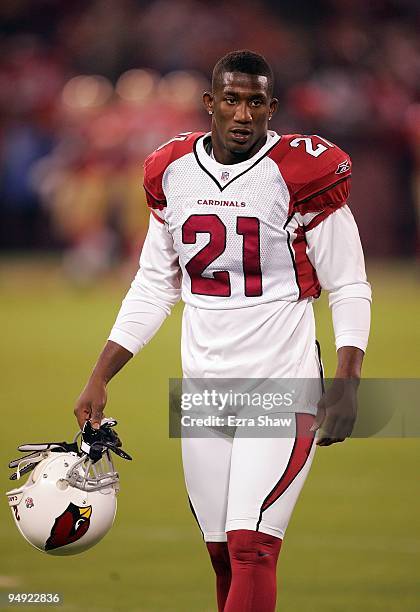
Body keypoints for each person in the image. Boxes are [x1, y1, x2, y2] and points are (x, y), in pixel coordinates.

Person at [74, 50, 371, 612]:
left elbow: (350, 283)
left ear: (271, 108)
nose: (242, 114)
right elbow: (153, 287)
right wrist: (100, 375)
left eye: (255, 102)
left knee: (252, 547)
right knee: (220, 555)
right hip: (205, 391)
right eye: (231, 100)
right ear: (210, 103)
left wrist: (349, 379)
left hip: (282, 385)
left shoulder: (301, 172)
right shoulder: (172, 170)